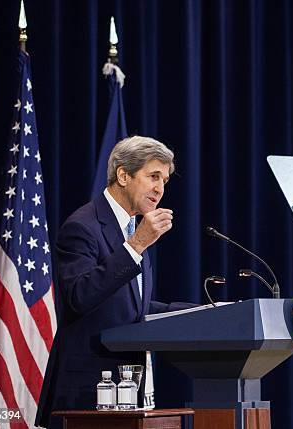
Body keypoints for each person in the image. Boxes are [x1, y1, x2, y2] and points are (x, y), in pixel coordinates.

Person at [36, 136, 195, 428]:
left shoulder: (133, 229)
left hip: (127, 394)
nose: (160, 189)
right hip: (88, 394)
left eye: (165, 180)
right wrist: (135, 245)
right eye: (153, 177)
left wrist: (204, 311)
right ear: (123, 175)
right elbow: (79, 295)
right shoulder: (83, 226)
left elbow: (132, 307)